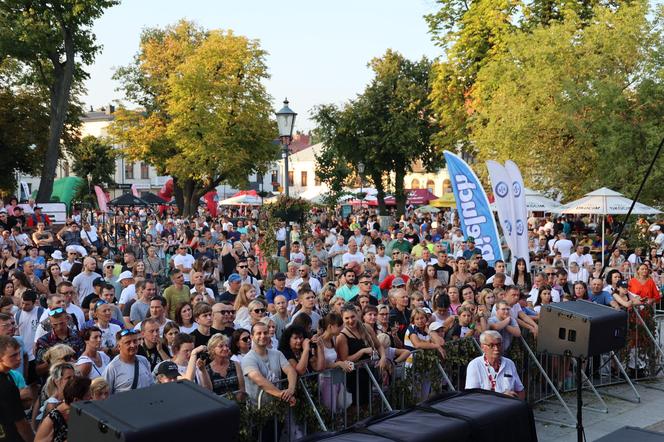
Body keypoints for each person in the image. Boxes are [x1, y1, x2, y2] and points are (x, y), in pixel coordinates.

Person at [465, 330, 525, 399]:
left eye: (499, 344)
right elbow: (472, 396)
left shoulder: (509, 363)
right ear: (482, 347)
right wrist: (502, 397)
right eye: (491, 345)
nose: (496, 348)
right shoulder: (475, 365)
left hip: (508, 407)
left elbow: (520, 390)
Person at [34, 376, 91, 442]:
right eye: (88, 396)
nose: (91, 398)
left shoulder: (81, 413)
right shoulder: (53, 419)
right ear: (76, 400)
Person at [0, 335, 35, 442]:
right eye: (13, 356)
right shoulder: (6, 385)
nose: (19, 358)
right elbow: (22, 425)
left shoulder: (9, 376)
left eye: (19, 353)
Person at [103, 329, 153, 394]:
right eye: (128, 342)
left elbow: (151, 385)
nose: (133, 345)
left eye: (135, 341)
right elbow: (105, 395)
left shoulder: (143, 360)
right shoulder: (112, 368)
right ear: (119, 346)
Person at [206, 333, 244, 397]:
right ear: (212, 349)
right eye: (221, 346)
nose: (225, 348)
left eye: (226, 346)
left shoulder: (236, 365)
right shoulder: (207, 369)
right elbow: (209, 392)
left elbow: (242, 388)